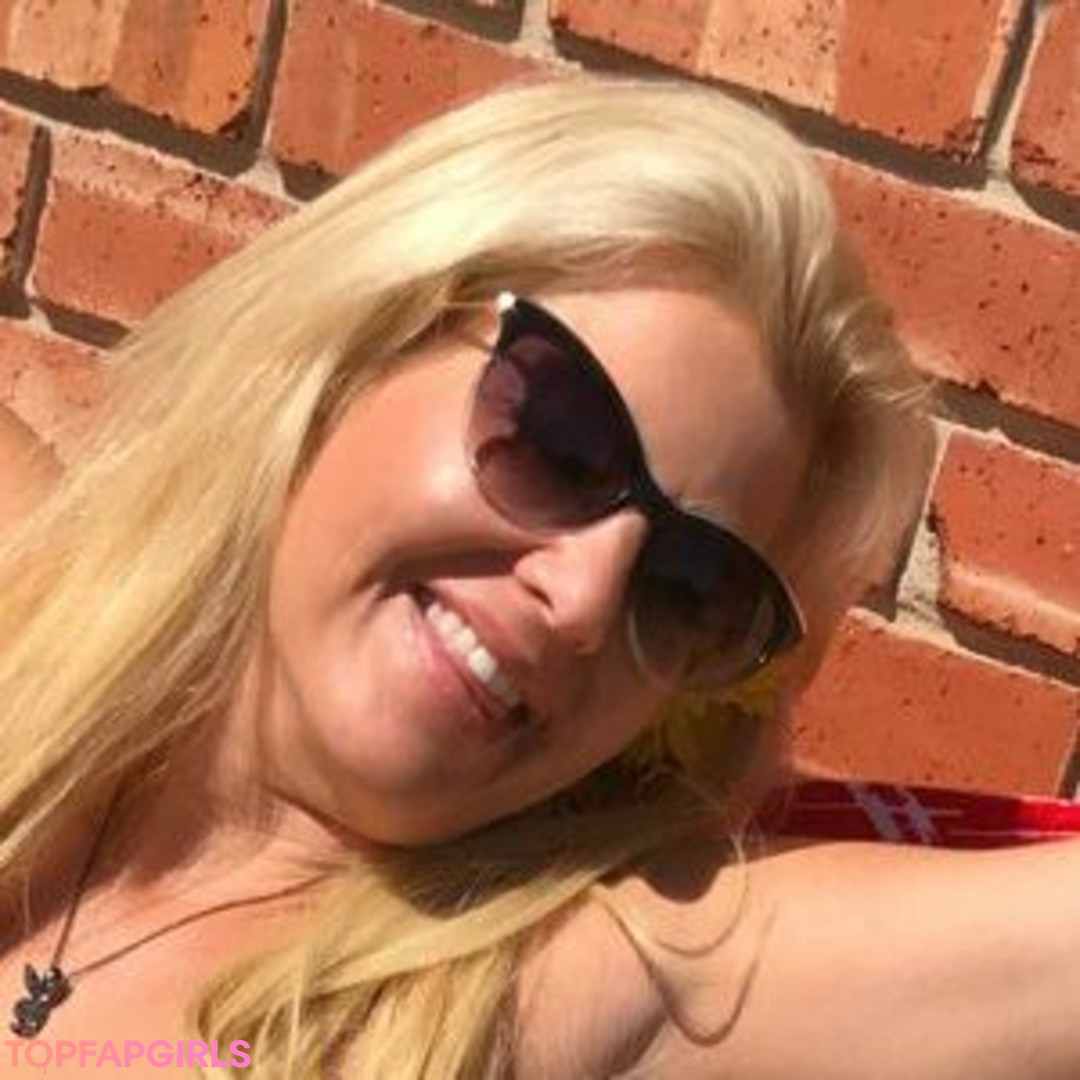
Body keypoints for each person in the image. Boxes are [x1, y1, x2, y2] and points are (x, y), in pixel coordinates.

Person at [0, 74, 1077, 1079]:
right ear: (374, 332)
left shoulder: (562, 986)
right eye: (564, 441)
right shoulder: (26, 603)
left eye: (689, 587)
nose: (586, 600)